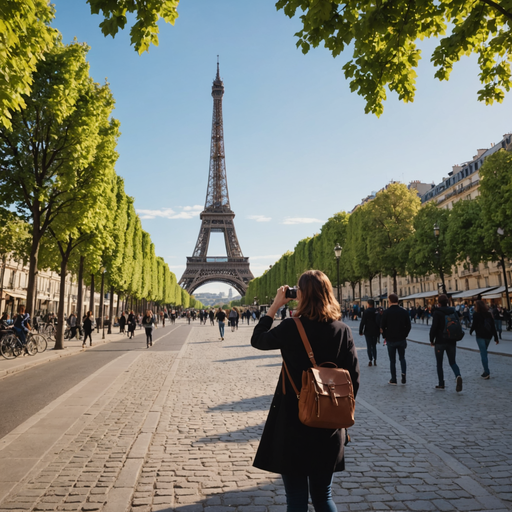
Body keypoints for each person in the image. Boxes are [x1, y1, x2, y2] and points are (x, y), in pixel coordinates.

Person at [251, 270, 360, 512]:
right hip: (329, 425)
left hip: (293, 422)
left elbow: (258, 340)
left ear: (300, 296)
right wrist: (333, 407)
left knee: (297, 499)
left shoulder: (291, 327)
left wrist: (274, 307)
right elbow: (354, 380)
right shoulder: (342, 330)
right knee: (323, 496)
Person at [429, 294, 463, 391]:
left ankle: (441, 383)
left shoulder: (437, 312)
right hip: (452, 340)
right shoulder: (453, 310)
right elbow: (459, 320)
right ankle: (458, 375)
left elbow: (434, 327)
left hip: (440, 341)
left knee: (439, 363)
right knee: (452, 361)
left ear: (439, 303)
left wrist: (431, 340)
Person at [380, 293, 411, 385]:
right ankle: (403, 373)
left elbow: (382, 326)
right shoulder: (404, 311)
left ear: (389, 301)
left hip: (390, 339)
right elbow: (408, 326)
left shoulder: (386, 312)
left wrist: (385, 335)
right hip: (401, 338)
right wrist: (405, 335)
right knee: (402, 358)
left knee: (392, 360)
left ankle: (393, 379)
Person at [470, 300, 499, 379]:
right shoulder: (489, 314)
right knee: (484, 352)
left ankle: (486, 372)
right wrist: (496, 338)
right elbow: (493, 326)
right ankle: (485, 371)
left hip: (480, 336)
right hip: (488, 336)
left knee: (483, 354)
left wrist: (471, 331)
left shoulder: (476, 314)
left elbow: (474, 324)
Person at [359, 299, 380, 366]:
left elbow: (363, 322)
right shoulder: (376, 311)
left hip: (368, 331)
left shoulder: (366, 312)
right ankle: (375, 359)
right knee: (374, 346)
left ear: (368, 304)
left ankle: (370, 359)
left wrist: (360, 331)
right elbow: (379, 321)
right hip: (375, 331)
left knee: (369, 346)